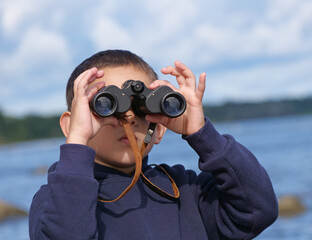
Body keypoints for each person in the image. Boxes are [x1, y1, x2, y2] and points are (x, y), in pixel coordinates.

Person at [29, 50, 278, 240]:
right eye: (105, 107)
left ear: (159, 128)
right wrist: (78, 143)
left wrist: (202, 134)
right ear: (70, 126)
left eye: (141, 108)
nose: (127, 118)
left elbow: (258, 210)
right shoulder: (56, 199)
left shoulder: (184, 189)